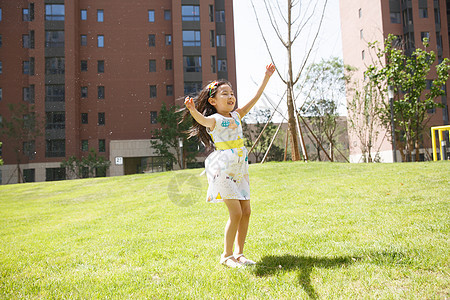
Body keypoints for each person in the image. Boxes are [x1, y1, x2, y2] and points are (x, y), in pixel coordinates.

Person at [184, 63, 276, 268]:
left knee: (246, 211)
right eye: (224, 93)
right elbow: (201, 119)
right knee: (235, 213)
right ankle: (226, 256)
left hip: (240, 169)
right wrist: (192, 110)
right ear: (213, 101)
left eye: (232, 93)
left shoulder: (236, 115)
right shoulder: (214, 120)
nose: (230, 96)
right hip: (223, 169)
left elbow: (255, 98)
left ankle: (239, 254)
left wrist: (266, 78)